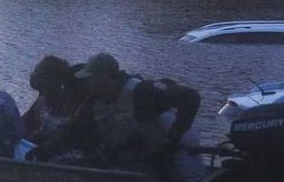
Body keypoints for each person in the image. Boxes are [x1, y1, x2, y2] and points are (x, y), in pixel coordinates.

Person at [29, 52, 200, 173]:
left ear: (106, 77)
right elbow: (73, 130)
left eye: (90, 78)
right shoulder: (96, 100)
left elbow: (190, 96)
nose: (87, 83)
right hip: (139, 158)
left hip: (171, 155)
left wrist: (174, 136)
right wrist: (44, 151)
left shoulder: (142, 91)